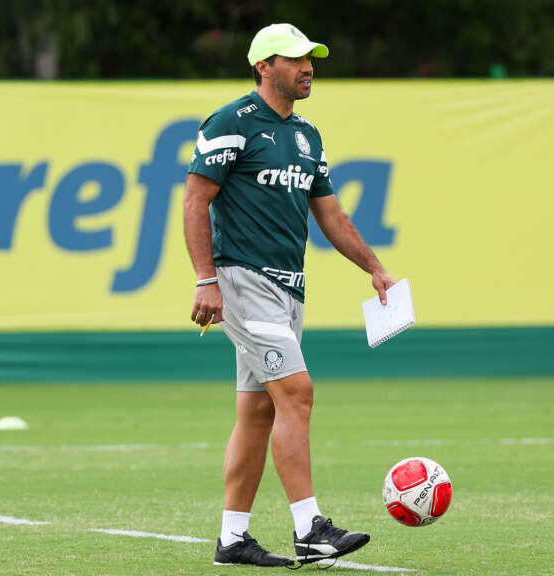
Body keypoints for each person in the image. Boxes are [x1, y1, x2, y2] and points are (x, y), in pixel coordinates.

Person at [183, 23, 396, 567]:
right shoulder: (232, 122)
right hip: (243, 281)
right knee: (297, 393)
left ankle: (233, 539)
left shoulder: (307, 136)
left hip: (288, 291)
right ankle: (310, 528)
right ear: (263, 67)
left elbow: (331, 214)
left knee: (257, 413)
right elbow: (194, 202)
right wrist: (206, 279)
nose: (308, 68)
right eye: (296, 59)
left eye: (311, 59)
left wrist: (375, 269)